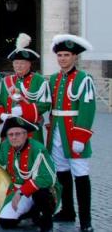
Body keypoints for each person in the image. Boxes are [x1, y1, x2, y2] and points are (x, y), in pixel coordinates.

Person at [47, 35, 95, 232]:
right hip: (57, 131)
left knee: (80, 174)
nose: (62, 59)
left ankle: (86, 221)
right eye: (59, 55)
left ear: (75, 57)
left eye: (66, 55)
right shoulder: (54, 79)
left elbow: (88, 108)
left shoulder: (84, 79)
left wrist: (81, 136)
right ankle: (67, 211)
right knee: (62, 172)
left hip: (74, 132)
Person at [0, 34, 51, 144]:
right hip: (10, 127)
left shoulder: (39, 80)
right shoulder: (7, 80)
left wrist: (23, 110)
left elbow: (45, 104)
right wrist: (2, 114)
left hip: (31, 128)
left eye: (22, 63)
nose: (18, 66)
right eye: (16, 63)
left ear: (29, 64)